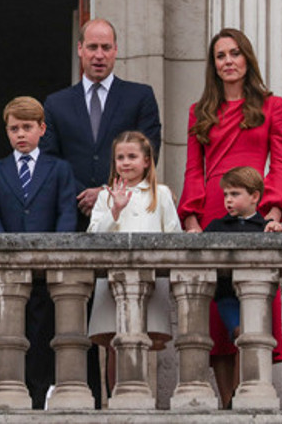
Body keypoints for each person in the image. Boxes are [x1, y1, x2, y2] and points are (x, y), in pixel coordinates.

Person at [41, 18, 161, 405]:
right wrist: (83, 194)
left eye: (106, 47)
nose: (99, 55)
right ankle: (83, 398)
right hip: (71, 219)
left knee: (121, 320)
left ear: (115, 50)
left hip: (125, 218)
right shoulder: (57, 103)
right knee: (73, 318)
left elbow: (149, 148)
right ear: (80, 49)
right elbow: (50, 160)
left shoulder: (139, 96)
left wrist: (107, 193)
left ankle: (121, 399)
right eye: (92, 47)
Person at [177, 28, 282, 407]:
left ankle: (254, 395)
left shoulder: (271, 106)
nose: (228, 61)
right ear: (213, 65)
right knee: (216, 314)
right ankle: (227, 403)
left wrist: (273, 214)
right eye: (220, 56)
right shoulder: (200, 112)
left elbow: (279, 165)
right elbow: (193, 171)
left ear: (247, 59)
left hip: (256, 213)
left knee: (255, 305)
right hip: (213, 212)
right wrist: (192, 222)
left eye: (234, 53)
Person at [0, 96, 76, 408]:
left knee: (43, 334)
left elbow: (66, 214)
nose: (20, 134)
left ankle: (38, 397)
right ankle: (10, 394)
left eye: (27, 127)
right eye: (14, 128)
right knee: (7, 334)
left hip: (46, 269)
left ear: (42, 129)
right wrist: (7, 249)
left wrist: (53, 254)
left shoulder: (59, 169)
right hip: (8, 269)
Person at [87, 131, 180, 395]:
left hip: (151, 278)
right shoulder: (106, 196)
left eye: (132, 156)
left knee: (144, 339)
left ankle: (141, 396)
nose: (125, 162)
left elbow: (174, 235)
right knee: (115, 341)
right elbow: (93, 237)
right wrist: (114, 210)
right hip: (112, 279)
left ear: (147, 160)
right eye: (120, 157)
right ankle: (117, 397)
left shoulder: (160, 194)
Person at [204, 166, 282, 409]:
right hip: (226, 297)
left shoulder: (265, 226)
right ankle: (231, 398)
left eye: (235, 194)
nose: (228, 200)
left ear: (255, 196)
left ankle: (238, 397)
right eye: (226, 194)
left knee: (250, 336)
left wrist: (279, 229)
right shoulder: (217, 226)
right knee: (240, 334)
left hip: (258, 299)